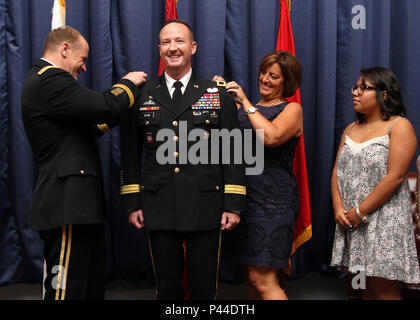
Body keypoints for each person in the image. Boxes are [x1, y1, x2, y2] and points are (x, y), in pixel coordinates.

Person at [119, 19, 246, 300]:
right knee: (167, 288)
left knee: (203, 288)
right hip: (158, 204)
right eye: (166, 42)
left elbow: (233, 152)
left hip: (206, 205)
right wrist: (132, 202)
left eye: (179, 41)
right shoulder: (141, 95)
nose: (173, 48)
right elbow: (129, 153)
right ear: (159, 49)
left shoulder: (217, 94)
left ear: (193, 47)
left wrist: (234, 204)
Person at [21, 26, 147, 300]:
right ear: (65, 49)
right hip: (65, 206)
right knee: (63, 290)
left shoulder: (51, 86)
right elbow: (103, 106)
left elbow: (91, 126)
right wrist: (127, 83)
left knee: (88, 288)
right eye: (83, 58)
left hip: (79, 207)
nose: (85, 68)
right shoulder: (48, 79)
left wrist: (121, 107)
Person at [213, 50, 303, 300]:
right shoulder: (245, 109)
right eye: (263, 72)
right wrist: (217, 98)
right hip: (242, 201)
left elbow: (272, 137)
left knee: (262, 279)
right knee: (251, 278)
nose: (265, 79)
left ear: (287, 81)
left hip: (273, 203)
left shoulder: (291, 109)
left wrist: (245, 103)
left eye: (273, 76)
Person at [330, 66, 420, 300]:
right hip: (353, 222)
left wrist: (360, 211)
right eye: (355, 87)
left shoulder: (399, 126)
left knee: (383, 290)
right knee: (365, 289)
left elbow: (396, 177)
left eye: (364, 88)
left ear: (384, 94)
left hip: (384, 221)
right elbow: (337, 170)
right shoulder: (351, 128)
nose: (355, 92)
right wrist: (339, 208)